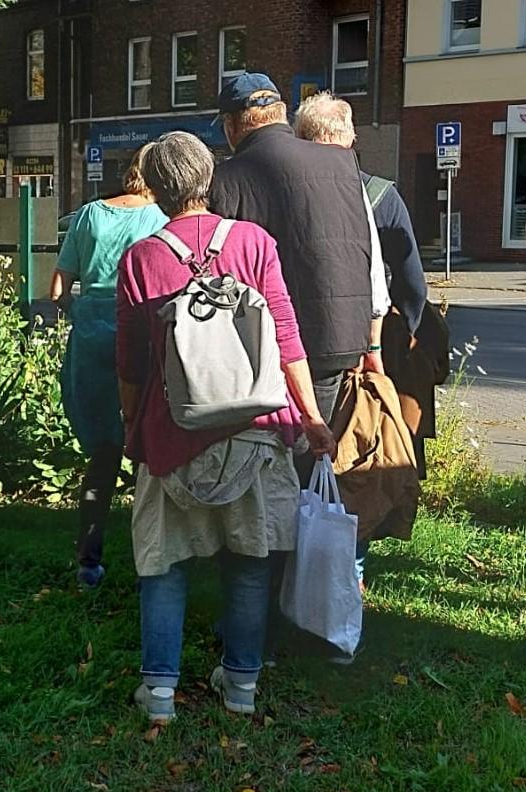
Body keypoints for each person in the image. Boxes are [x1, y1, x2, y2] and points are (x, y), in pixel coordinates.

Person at [116, 132, 337, 723]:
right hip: (257, 429)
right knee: (248, 562)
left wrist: (132, 426)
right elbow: (286, 337)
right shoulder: (254, 243)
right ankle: (241, 685)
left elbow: (132, 364)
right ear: (209, 178)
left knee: (164, 564)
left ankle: (159, 691)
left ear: (156, 190)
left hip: (173, 435)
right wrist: (312, 418)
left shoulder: (141, 259)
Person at [209, 73, 389, 486]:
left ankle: (274, 544)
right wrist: (371, 334)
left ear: (234, 125)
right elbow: (368, 249)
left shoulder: (229, 175)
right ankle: (304, 539)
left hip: (272, 344)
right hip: (339, 336)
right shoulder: (341, 161)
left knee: (270, 462)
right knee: (311, 455)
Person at [295, 91, 436, 589]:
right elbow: (409, 278)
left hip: (294, 353)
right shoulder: (378, 194)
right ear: (350, 138)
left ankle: (295, 571)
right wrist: (404, 337)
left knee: (299, 461)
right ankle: (348, 580)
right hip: (362, 350)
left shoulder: (286, 190)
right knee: (358, 459)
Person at [51, 144, 169, 589]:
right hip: (139, 331)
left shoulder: (87, 215)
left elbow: (59, 286)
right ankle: (150, 558)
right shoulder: (159, 220)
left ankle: (88, 559)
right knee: (145, 454)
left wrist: (82, 310)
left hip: (91, 334)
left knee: (101, 456)